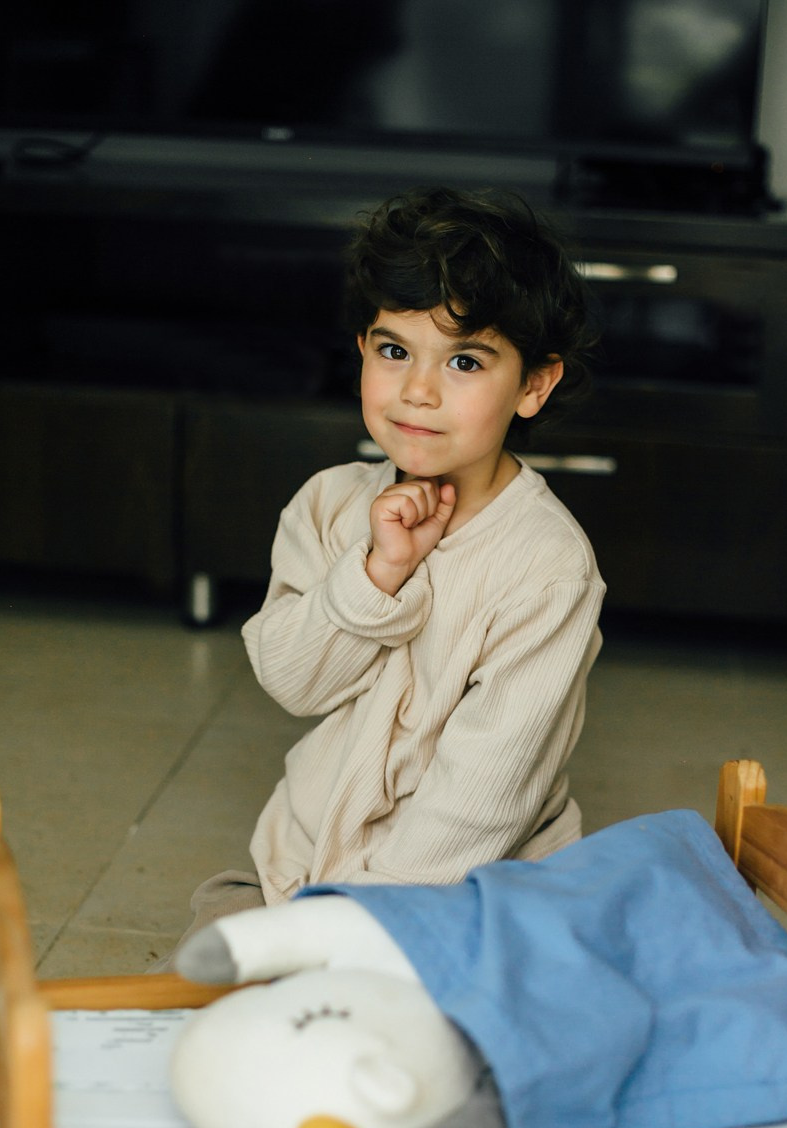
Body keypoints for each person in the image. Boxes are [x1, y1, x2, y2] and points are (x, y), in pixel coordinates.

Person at [154, 185, 605, 966]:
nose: (418, 392)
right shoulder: (331, 504)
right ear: (363, 350)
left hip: (467, 890)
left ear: (535, 384)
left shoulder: (548, 569)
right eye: (395, 351)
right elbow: (294, 682)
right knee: (204, 1000)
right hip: (299, 864)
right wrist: (376, 573)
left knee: (442, 1046)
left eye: (466, 361)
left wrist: (353, 930)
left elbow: (480, 800)